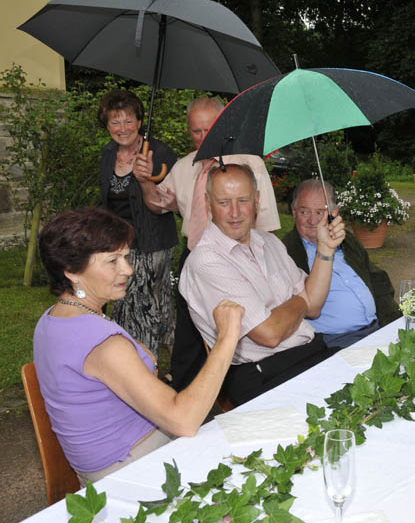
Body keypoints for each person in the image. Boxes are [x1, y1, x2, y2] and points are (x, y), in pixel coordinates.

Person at [34, 207, 244, 486]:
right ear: (72, 271)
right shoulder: (105, 345)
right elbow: (184, 420)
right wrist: (226, 338)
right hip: (131, 471)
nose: (128, 269)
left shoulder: (53, 319)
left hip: (109, 461)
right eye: (113, 261)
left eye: (125, 256)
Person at [138, 96, 281, 391]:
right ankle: (186, 391)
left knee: (241, 331)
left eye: (210, 128)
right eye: (196, 131)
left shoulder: (250, 164)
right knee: (189, 336)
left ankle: (240, 386)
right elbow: (157, 204)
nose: (204, 137)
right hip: (194, 259)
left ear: (225, 125)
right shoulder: (184, 166)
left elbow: (266, 228)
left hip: (238, 259)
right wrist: (144, 181)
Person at [179, 163, 345, 406]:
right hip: (262, 375)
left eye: (243, 200)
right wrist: (301, 300)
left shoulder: (269, 242)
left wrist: (325, 249)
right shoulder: (206, 261)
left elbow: (315, 305)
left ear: (256, 200)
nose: (235, 213)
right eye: (224, 202)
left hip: (310, 352)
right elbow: (269, 334)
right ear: (207, 203)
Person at [97, 89, 178, 355]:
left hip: (151, 243)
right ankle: (168, 358)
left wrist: (147, 180)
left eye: (128, 120)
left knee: (138, 305)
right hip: (118, 245)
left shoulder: (159, 153)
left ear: (140, 122)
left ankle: (140, 360)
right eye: (115, 122)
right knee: (147, 302)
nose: (122, 128)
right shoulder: (108, 153)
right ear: (107, 125)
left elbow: (172, 204)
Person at [282, 180, 402, 348]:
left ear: (334, 213)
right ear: (294, 212)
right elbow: (295, 307)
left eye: (319, 212)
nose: (312, 220)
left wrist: (393, 320)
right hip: (335, 341)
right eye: (304, 211)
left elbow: (377, 279)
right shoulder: (287, 252)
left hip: (377, 328)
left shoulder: (346, 240)